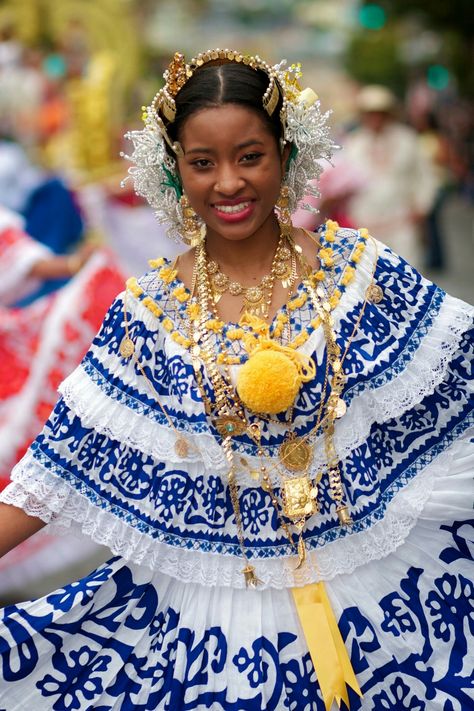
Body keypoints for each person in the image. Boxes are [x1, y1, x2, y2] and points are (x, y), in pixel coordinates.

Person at [0, 49, 472, 711]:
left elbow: (462, 369)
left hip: (380, 586)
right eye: (202, 162)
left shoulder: (358, 272)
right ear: (173, 171)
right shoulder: (149, 315)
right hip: (220, 620)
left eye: (249, 156)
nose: (228, 182)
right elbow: (53, 473)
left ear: (286, 155)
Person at [341, 85, 438, 269]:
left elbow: (426, 175)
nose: (375, 118)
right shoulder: (353, 145)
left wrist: (423, 206)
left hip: (401, 223)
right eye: (370, 113)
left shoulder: (408, 140)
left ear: (389, 114)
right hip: (365, 226)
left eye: (380, 113)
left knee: (408, 279)